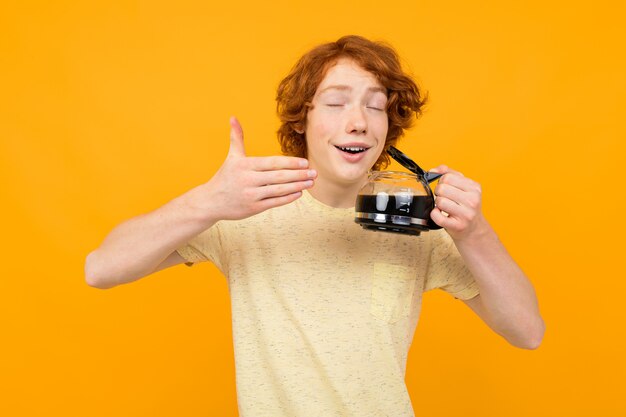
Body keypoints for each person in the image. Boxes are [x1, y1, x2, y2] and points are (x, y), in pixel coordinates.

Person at [85, 35, 544, 417]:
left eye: (376, 106)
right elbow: (101, 269)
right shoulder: (246, 210)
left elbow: (527, 332)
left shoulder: (411, 222)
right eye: (336, 102)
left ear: (390, 125)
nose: (358, 122)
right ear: (303, 119)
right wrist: (207, 201)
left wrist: (474, 232)